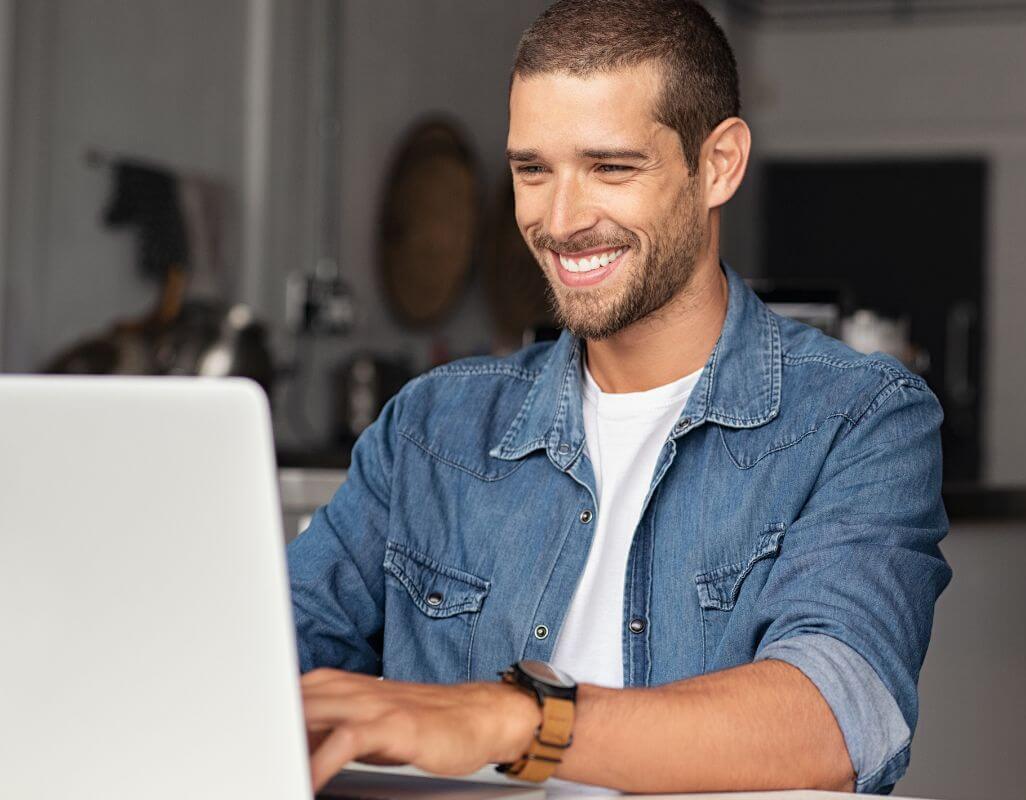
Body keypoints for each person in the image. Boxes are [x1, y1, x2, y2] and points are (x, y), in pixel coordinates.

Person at [288, 0, 951, 794]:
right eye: (533, 169)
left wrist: (515, 720)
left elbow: (831, 717)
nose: (560, 220)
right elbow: (265, 659)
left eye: (611, 167)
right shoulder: (431, 427)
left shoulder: (861, 419)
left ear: (720, 165)